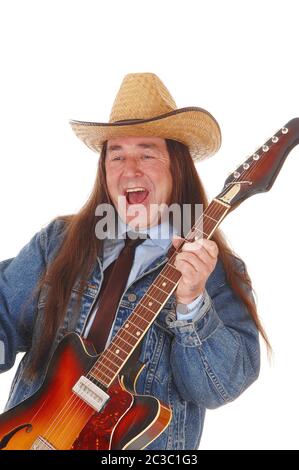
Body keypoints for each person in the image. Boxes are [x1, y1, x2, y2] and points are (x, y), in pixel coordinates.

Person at [0, 73, 266, 450]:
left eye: (146, 152)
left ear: (177, 165)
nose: (130, 169)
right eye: (117, 154)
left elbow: (218, 386)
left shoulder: (218, 272)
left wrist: (191, 303)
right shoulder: (57, 242)